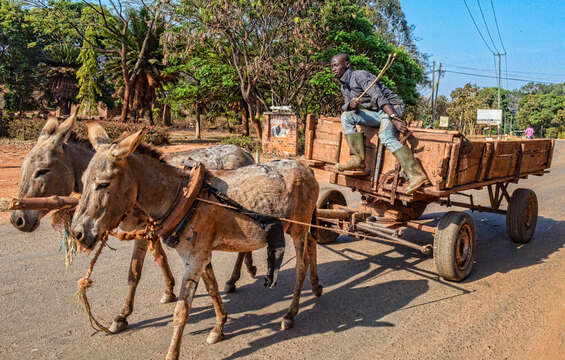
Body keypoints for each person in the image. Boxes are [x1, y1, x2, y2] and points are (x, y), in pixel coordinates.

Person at [330, 53, 427, 194]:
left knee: (385, 136)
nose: (333, 69)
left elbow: (379, 96)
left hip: (392, 107)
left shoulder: (360, 75)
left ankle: (417, 175)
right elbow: (347, 106)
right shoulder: (344, 86)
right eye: (331, 66)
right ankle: (357, 159)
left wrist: (394, 117)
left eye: (336, 65)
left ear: (347, 64)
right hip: (378, 113)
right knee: (346, 116)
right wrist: (351, 105)